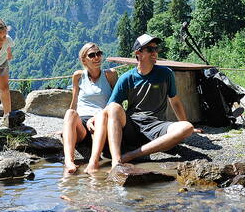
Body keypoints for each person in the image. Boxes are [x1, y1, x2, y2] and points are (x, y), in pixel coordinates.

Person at [103, 34, 201, 167]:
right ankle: (116, 160)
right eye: (150, 49)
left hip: (156, 125)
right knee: (114, 107)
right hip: (132, 125)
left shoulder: (166, 74)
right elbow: (111, 107)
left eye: (156, 49)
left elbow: (175, 102)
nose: (155, 52)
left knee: (187, 127)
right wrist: (95, 119)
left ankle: (131, 155)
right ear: (138, 53)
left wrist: (184, 124)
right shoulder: (126, 78)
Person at [62, 42, 118, 174]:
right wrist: (66, 126)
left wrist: (98, 117)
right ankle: (69, 161)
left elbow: (116, 101)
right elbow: (74, 103)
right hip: (82, 125)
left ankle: (94, 163)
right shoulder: (78, 76)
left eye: (99, 54)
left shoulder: (110, 75)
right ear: (84, 60)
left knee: (99, 118)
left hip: (101, 120)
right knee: (70, 113)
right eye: (92, 55)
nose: (97, 57)